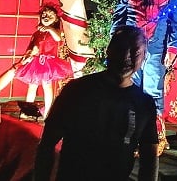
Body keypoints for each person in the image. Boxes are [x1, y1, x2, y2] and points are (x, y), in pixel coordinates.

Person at [34, 25, 159, 181]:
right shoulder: (77, 91)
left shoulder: (144, 104)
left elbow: (150, 158)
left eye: (135, 51)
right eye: (121, 49)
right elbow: (47, 144)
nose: (127, 56)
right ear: (109, 50)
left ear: (144, 57)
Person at [112, 0, 177, 152]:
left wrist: (172, 48)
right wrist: (115, 44)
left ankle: (154, 137)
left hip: (155, 49)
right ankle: (128, 133)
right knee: (129, 87)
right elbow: (118, 21)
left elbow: (176, 23)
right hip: (130, 49)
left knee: (153, 90)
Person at [13, 4, 73, 119]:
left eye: (50, 15)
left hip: (48, 63)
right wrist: (29, 54)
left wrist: (50, 29)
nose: (46, 16)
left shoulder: (56, 31)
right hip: (36, 62)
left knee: (47, 86)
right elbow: (33, 47)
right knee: (32, 86)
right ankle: (27, 110)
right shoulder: (37, 33)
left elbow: (58, 38)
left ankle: (47, 113)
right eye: (44, 14)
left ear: (55, 19)